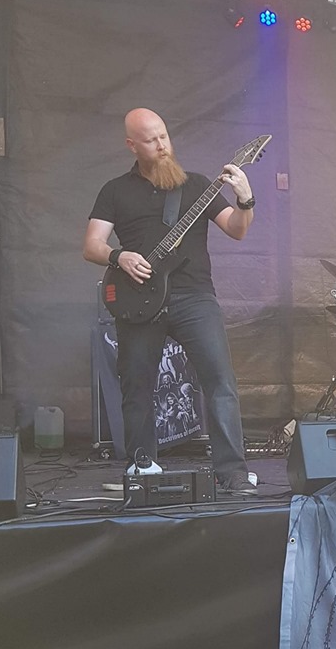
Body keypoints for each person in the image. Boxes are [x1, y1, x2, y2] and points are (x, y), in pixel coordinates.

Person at [83, 108, 258, 495]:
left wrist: (245, 199)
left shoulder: (196, 185)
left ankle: (232, 472)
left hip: (194, 296)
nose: (162, 145)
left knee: (220, 382)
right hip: (139, 300)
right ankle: (142, 468)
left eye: (164, 136)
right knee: (136, 385)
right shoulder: (115, 190)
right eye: (151, 140)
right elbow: (92, 245)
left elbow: (237, 230)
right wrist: (119, 256)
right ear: (132, 145)